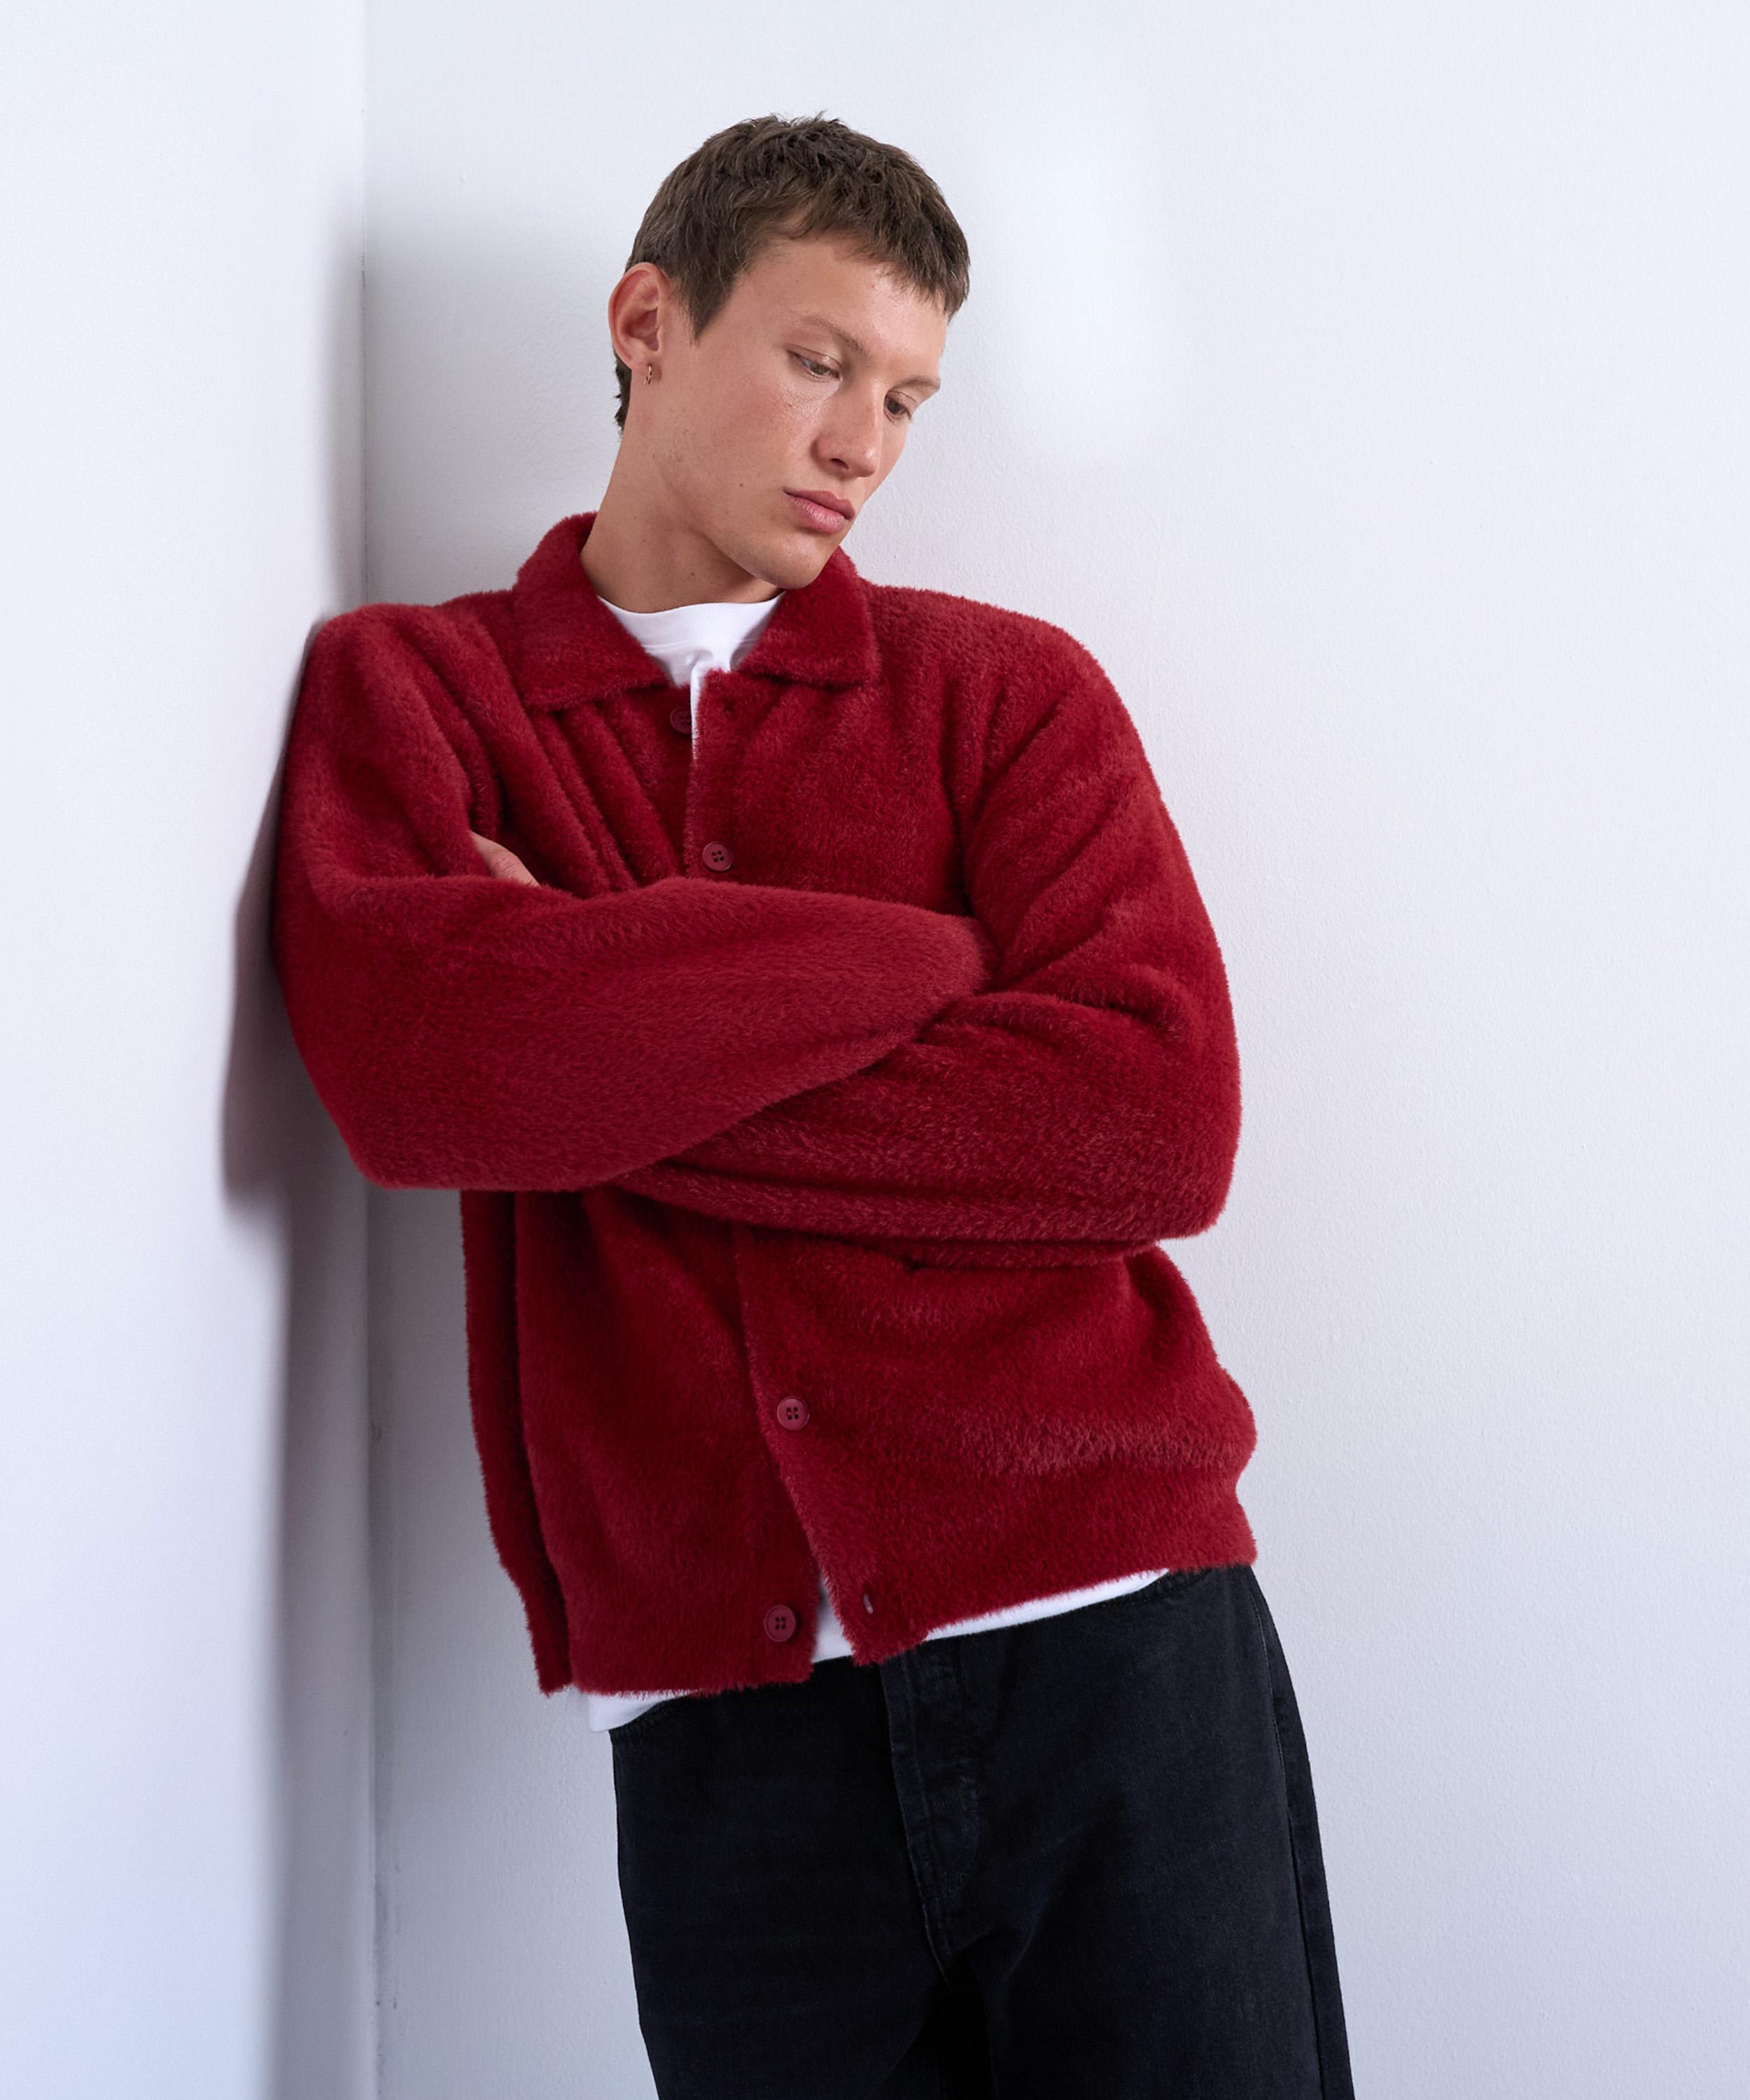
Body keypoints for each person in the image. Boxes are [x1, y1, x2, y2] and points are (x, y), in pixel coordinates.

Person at [272, 111, 1356, 2100]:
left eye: (910, 397)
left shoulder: (1005, 699)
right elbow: (425, 1078)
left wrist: (605, 1030)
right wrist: (913, 963)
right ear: (649, 319)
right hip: (719, 1719)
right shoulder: (418, 699)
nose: (864, 440)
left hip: (1109, 1646)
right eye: (818, 359)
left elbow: (1146, 1122)